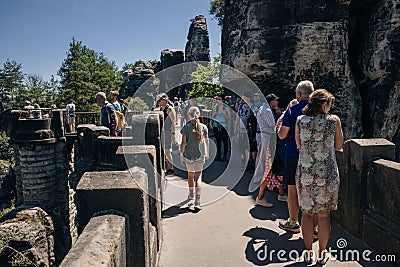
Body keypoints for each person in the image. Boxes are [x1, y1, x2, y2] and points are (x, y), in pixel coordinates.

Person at [295, 89, 343, 264]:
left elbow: (298, 144)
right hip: (328, 173)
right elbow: (339, 146)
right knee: (323, 215)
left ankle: (308, 252)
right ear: (324, 104)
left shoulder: (301, 120)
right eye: (329, 104)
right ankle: (322, 254)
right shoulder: (334, 121)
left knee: (307, 214)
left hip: (305, 171)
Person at [277, 80, 314, 233]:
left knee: (292, 189)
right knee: (312, 189)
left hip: (293, 153)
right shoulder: (319, 111)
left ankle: (293, 222)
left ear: (299, 94)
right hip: (313, 156)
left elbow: (282, 135)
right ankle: (315, 226)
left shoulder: (292, 111)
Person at [260, 99, 298, 202]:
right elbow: (280, 134)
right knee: (270, 172)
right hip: (277, 148)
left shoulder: (284, 116)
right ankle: (260, 197)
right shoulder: (287, 116)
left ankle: (281, 194)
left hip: (275, 146)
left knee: (278, 172)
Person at [180, 106, 209, 210]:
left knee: (190, 175)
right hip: (200, 155)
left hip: (188, 155)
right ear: (199, 114)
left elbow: (183, 143)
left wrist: (181, 155)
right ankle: (197, 201)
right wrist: (207, 153)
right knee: (199, 177)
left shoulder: (186, 128)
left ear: (189, 115)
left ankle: (191, 193)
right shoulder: (204, 127)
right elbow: (207, 141)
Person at [252, 99, 275, 207]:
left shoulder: (262, 109)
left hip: (261, 134)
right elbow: (272, 124)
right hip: (266, 135)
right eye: (275, 101)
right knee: (264, 159)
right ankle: (259, 178)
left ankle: (257, 177)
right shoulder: (267, 110)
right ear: (271, 101)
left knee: (260, 158)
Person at [235, 93, 257, 171]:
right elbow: (238, 117)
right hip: (241, 131)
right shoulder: (241, 107)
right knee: (243, 148)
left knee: (251, 148)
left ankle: (253, 163)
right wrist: (236, 128)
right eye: (242, 99)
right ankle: (245, 163)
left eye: (245, 99)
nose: (243, 100)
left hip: (250, 131)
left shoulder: (252, 108)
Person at [157, 93, 176, 176]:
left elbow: (173, 122)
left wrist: (173, 133)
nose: (158, 102)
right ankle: (169, 167)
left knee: (167, 150)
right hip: (163, 131)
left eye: (160, 100)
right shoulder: (161, 108)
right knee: (165, 150)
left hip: (168, 131)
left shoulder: (169, 109)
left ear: (164, 100)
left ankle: (172, 168)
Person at [211, 96, 230, 161]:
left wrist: (222, 111)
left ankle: (224, 156)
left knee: (225, 141)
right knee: (218, 141)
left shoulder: (225, 107)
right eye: (217, 99)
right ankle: (218, 155)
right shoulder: (215, 107)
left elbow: (228, 117)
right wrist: (214, 114)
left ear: (222, 100)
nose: (218, 101)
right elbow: (212, 116)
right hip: (216, 126)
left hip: (224, 126)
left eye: (219, 99)